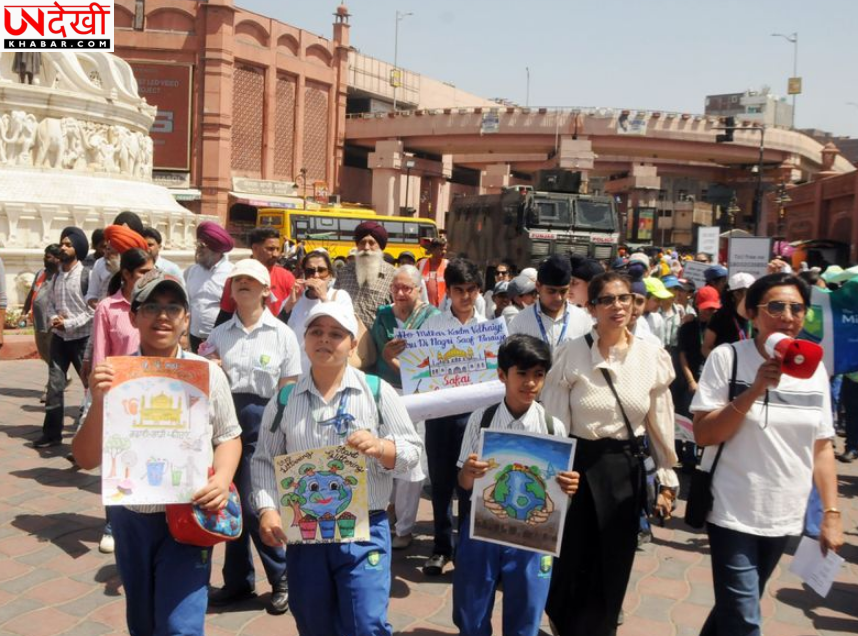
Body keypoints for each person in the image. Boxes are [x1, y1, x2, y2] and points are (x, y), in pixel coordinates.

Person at [72, 270, 242, 636]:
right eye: (151, 307)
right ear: (134, 316)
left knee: (179, 625)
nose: (162, 316)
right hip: (132, 515)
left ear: (186, 319)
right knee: (143, 621)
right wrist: (101, 401)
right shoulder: (113, 376)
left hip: (190, 511)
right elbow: (85, 458)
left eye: (173, 308)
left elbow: (229, 436)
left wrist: (224, 478)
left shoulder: (205, 374)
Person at [251, 303, 423, 636]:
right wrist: (267, 509)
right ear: (305, 339)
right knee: (313, 621)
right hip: (306, 533)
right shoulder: (285, 399)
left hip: (364, 529)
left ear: (352, 343)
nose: (325, 341)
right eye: (316, 332)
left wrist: (382, 448)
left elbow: (412, 451)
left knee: (366, 623)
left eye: (336, 334)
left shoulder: (377, 392)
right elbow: (263, 459)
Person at [691, 273, 843, 636]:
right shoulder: (727, 359)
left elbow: (821, 447)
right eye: (776, 306)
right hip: (731, 509)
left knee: (737, 607)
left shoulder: (816, 370)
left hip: (783, 513)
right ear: (753, 314)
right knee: (744, 618)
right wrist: (755, 389)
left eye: (797, 307)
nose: (787, 315)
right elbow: (704, 433)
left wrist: (832, 513)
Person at [542, 272, 678, 635]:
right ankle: (565, 623)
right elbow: (554, 420)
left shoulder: (651, 356)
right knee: (571, 557)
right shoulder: (571, 352)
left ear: (634, 305)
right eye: (607, 300)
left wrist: (667, 476)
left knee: (613, 561)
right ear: (591, 308)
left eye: (625, 299)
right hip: (577, 469)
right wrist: (553, 471)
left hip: (624, 469)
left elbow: (660, 421)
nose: (617, 307)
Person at [453, 334, 580, 636]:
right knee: (471, 609)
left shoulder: (553, 427)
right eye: (521, 373)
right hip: (482, 531)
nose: (530, 383)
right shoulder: (480, 419)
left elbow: (559, 499)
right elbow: (463, 483)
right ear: (502, 375)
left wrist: (568, 489)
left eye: (538, 375)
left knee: (527, 611)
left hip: (532, 537)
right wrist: (469, 472)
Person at [204, 259, 300, 615]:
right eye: (237, 280)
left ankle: (282, 576)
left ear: (265, 289)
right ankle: (238, 581)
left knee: (251, 502)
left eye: (251, 280)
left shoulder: (282, 335)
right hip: (225, 424)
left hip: (264, 423)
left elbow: (288, 387)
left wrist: (282, 432)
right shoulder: (219, 334)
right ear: (230, 291)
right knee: (231, 502)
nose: (243, 284)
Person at [420, 258, 485, 575]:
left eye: (471, 290)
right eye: (458, 289)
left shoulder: (490, 328)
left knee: (471, 485)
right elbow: (418, 370)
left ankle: (468, 550)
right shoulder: (432, 326)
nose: (465, 296)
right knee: (442, 484)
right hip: (440, 417)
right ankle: (441, 547)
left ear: (478, 290)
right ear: (449, 291)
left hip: (475, 419)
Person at [89, 247, 155, 553]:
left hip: (155, 398)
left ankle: (149, 519)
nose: (148, 277)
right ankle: (113, 523)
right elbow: (101, 356)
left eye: (151, 271)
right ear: (126, 274)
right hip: (120, 398)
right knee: (117, 461)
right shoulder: (108, 307)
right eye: (142, 272)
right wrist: (100, 397)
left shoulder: (157, 305)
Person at [369, 265, 439, 549]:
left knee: (411, 458)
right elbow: (377, 351)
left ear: (419, 290)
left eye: (406, 288)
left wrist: (394, 361)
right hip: (386, 393)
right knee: (384, 454)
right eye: (395, 287)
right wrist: (388, 359)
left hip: (418, 395)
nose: (399, 293)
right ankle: (387, 510)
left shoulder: (432, 319)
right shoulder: (383, 315)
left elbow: (432, 364)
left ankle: (405, 525)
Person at [36, 227, 93, 448]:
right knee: (55, 385)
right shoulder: (57, 274)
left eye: (68, 244)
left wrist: (69, 323)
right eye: (62, 243)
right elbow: (50, 303)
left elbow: (92, 311)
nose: (63, 247)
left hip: (81, 340)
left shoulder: (86, 276)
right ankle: (51, 434)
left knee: (90, 387)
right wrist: (53, 318)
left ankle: (90, 435)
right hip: (59, 338)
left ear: (77, 249)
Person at [508, 255, 593, 355]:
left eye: (563, 291)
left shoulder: (583, 320)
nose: (558, 298)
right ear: (538, 286)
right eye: (551, 291)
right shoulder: (519, 322)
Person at [285, 250, 354, 372]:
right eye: (310, 271)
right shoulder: (296, 298)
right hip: (298, 371)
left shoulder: (340, 296)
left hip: (329, 371)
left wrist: (323, 297)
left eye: (321, 270)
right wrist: (290, 302)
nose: (316, 276)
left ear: (330, 274)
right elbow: (279, 328)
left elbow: (350, 330)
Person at [217, 226, 295, 324]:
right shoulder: (237, 277)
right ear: (255, 248)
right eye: (270, 249)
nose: (275, 254)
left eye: (277, 249)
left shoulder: (286, 277)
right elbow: (225, 314)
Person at [184, 221, 235, 353]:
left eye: (202, 246)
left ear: (216, 249)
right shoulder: (192, 271)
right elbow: (187, 304)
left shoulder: (232, 273)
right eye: (198, 245)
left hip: (222, 339)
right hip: (194, 337)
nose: (198, 249)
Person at [335, 221, 396, 328]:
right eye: (362, 243)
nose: (366, 247)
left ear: (380, 246)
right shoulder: (344, 272)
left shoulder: (393, 275)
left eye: (371, 243)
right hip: (346, 338)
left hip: (379, 341)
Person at [22, 245, 63, 398]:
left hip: (53, 322)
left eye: (49, 256)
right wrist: (24, 311)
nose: (45, 259)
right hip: (39, 321)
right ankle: (63, 377)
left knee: (53, 356)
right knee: (43, 353)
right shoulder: (40, 273)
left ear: (58, 259)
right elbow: (32, 292)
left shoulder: (61, 275)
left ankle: (51, 389)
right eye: (45, 256)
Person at [86, 212, 147, 308]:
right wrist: (103, 309)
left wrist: (119, 272)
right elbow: (91, 295)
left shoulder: (144, 266)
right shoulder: (100, 263)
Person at [702, 272, 755, 358]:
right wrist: (722, 365)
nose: (754, 296)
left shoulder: (756, 315)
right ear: (737, 294)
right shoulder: (720, 317)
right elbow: (706, 348)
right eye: (749, 292)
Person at [418, 236, 449, 307]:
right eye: (440, 249)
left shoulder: (447, 265)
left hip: (442, 308)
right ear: (432, 249)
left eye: (445, 249)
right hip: (424, 308)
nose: (443, 252)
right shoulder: (421, 264)